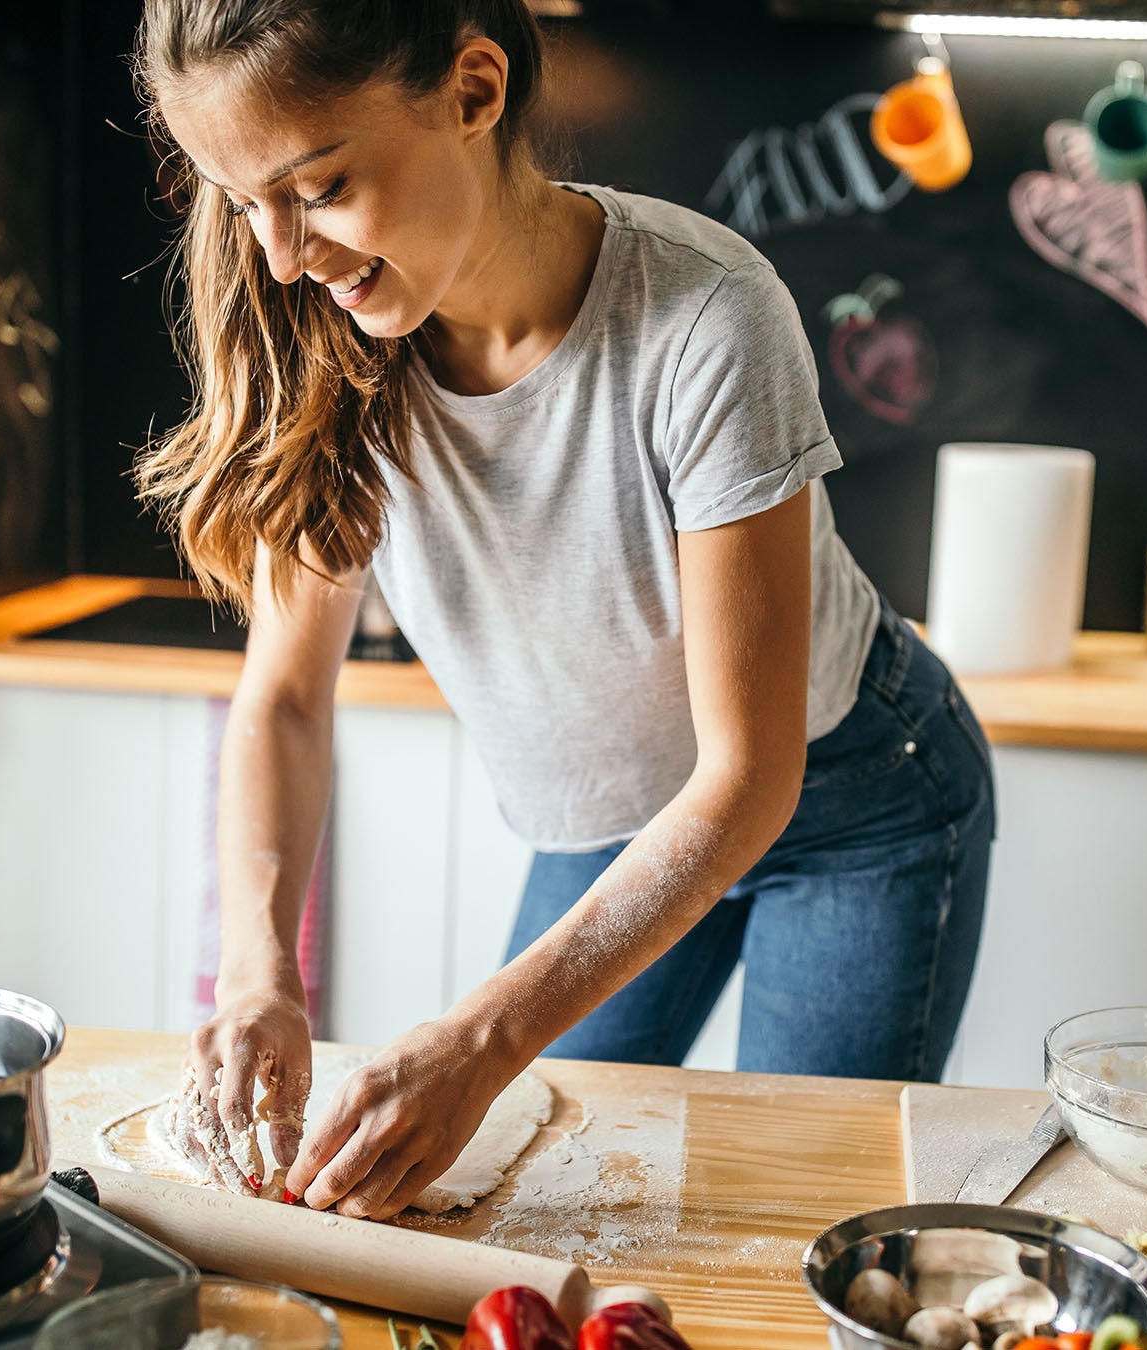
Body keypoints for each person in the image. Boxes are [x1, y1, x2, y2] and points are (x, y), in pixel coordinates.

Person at [136, 0, 994, 1220]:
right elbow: (281, 701)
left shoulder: (707, 316)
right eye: (241, 204)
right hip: (608, 826)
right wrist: (257, 974)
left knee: (798, 1214)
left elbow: (749, 779)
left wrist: (482, 1040)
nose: (280, 257)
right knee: (516, 1192)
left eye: (320, 189)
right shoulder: (325, 343)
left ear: (474, 91)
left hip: (853, 800)